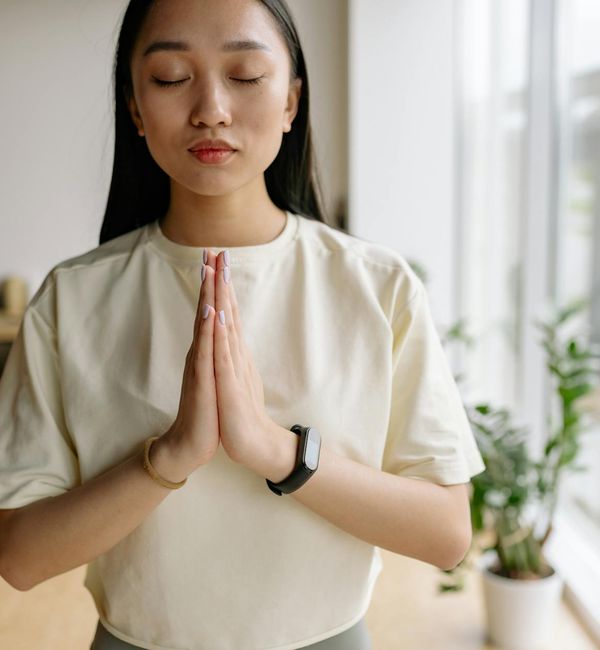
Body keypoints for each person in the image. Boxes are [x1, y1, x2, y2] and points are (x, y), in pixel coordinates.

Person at [0, 0, 486, 648]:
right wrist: (168, 460)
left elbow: (447, 532)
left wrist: (274, 449)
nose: (211, 109)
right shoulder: (70, 301)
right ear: (135, 107)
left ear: (291, 100)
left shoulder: (377, 288)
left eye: (246, 76)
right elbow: (21, 557)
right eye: (172, 76)